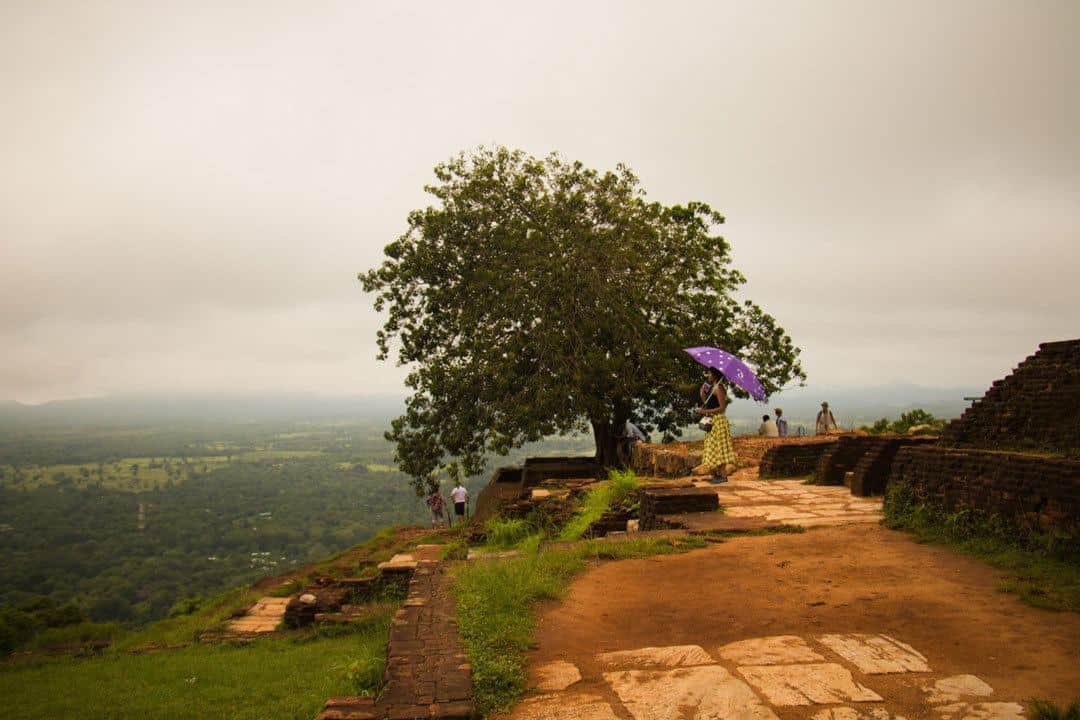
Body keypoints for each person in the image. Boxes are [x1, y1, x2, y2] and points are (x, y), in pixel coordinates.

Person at [698, 367, 737, 483]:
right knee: (713, 448)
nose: (708, 375)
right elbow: (708, 403)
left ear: (715, 375)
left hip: (718, 421)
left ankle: (723, 476)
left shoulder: (719, 388)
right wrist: (702, 394)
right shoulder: (712, 388)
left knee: (719, 448)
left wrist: (704, 412)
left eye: (709, 373)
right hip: (712, 420)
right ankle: (717, 475)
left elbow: (722, 408)